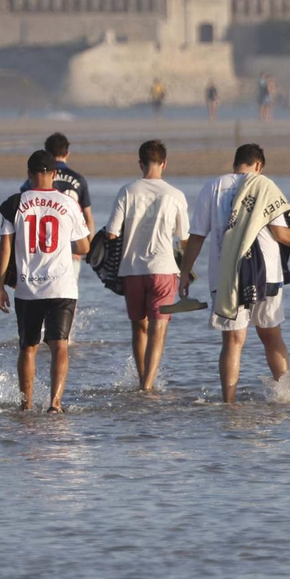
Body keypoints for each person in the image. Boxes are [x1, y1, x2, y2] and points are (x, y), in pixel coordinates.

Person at [178, 144, 290, 404]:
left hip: (227, 275)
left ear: (236, 162)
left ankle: (229, 403)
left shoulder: (212, 187)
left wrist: (184, 273)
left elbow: (197, 237)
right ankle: (286, 396)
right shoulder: (265, 185)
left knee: (233, 340)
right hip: (267, 274)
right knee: (271, 334)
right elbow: (282, 234)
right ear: (258, 166)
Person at [0, 149, 92, 412]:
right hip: (62, 286)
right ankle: (55, 403)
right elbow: (84, 246)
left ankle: (26, 406)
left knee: (28, 347)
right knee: (60, 345)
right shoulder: (69, 203)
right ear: (55, 174)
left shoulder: (15, 203)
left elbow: (5, 247)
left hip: (28, 288)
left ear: (29, 174)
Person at [102, 140, 190, 392]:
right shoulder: (175, 195)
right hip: (163, 269)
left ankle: (142, 381)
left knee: (139, 326)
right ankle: (148, 386)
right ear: (164, 163)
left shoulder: (127, 191)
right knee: (158, 329)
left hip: (132, 269)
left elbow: (111, 232)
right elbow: (183, 237)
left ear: (140, 163)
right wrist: (188, 271)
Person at [21, 132, 94, 236]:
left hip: (41, 239)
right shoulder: (79, 180)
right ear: (67, 153)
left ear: (47, 153)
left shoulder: (37, 178)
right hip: (72, 240)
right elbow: (88, 217)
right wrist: (91, 247)